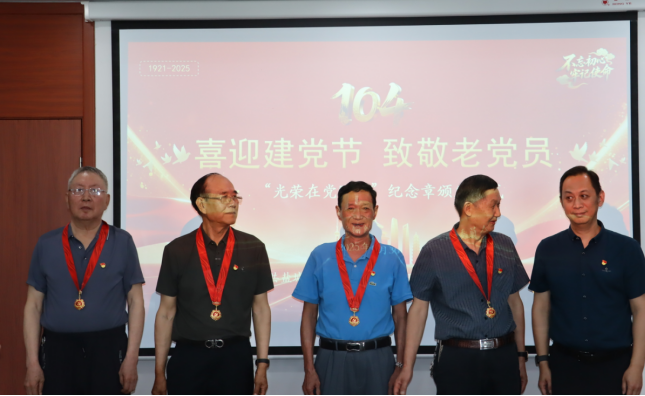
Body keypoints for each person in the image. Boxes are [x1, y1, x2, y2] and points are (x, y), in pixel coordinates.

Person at [395, 175, 530, 395]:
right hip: (457, 360)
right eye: (493, 206)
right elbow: (418, 310)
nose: (498, 213)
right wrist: (407, 366)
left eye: (499, 205)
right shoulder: (434, 251)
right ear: (468, 208)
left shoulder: (504, 245)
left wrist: (521, 357)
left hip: (504, 357)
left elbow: (515, 303)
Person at [530, 166, 645, 396]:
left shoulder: (626, 249)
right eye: (569, 198)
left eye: (584, 196)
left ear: (600, 197)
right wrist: (543, 362)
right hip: (564, 366)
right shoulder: (548, 249)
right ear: (561, 202)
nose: (577, 204)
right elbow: (541, 308)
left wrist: (637, 366)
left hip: (615, 366)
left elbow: (641, 311)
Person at [24, 166, 145, 395]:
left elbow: (136, 302)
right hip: (58, 351)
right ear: (67, 198)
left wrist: (132, 358)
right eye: (78, 190)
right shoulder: (46, 244)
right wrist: (32, 362)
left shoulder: (122, 242)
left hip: (109, 350)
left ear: (107, 200)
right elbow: (33, 306)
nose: (86, 197)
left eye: (95, 191)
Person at [152, 173, 273, 396]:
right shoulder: (177, 250)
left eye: (235, 197)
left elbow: (261, 309)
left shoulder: (253, 247)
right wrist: (159, 371)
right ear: (201, 204)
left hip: (235, 357)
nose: (233, 202)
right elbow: (166, 313)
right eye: (224, 196)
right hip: (189, 356)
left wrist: (262, 363)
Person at [293, 181, 412, 395]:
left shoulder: (393, 258)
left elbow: (401, 318)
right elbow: (309, 316)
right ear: (339, 212)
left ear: (375, 212)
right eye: (350, 208)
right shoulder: (320, 256)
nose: (358, 216)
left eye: (365, 208)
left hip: (379, 359)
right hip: (331, 358)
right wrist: (309, 369)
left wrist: (400, 365)